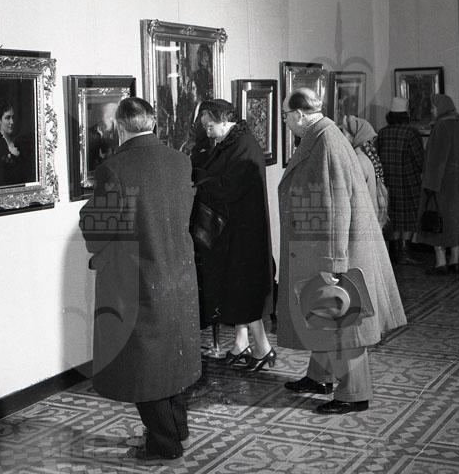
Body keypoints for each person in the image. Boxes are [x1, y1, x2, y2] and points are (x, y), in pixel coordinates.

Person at [78, 97, 200, 461]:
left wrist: (87, 215)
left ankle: (164, 444)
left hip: (138, 280)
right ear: (152, 123)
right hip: (177, 274)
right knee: (172, 359)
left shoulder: (113, 169)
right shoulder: (180, 161)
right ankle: (178, 432)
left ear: (120, 127)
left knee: (144, 366)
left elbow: (99, 232)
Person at [278, 88, 406, 414]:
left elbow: (337, 206)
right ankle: (319, 376)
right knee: (324, 317)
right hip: (323, 245)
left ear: (300, 115)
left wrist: (335, 260)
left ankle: (354, 394)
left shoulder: (327, 143)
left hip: (336, 251)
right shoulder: (323, 137)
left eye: (285, 115)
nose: (285, 121)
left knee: (345, 326)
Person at [193, 99, 275, 371]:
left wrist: (200, 178)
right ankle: (242, 343)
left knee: (244, 289)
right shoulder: (232, 143)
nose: (207, 131)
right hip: (236, 227)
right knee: (238, 288)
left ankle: (262, 348)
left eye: (210, 125)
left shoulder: (243, 145)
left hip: (245, 230)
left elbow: (229, 186)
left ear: (224, 120)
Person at [417, 94, 459, 275]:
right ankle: (455, 262)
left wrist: (429, 186)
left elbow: (435, 161)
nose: (432, 110)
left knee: (438, 224)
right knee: (456, 225)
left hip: (442, 187)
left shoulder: (440, 127)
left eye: (434, 106)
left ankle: (441, 263)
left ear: (441, 108)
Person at [376, 97, 425, 265]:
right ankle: (404, 252)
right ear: (406, 115)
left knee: (393, 218)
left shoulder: (382, 133)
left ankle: (396, 253)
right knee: (409, 218)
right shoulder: (411, 133)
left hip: (387, 182)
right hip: (408, 181)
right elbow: (420, 160)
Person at [341, 115, 389, 229]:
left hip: (363, 225)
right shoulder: (364, 158)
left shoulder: (358, 161)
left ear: (354, 137)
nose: (341, 138)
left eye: (344, 133)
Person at [87, 100, 119, 171]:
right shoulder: (90, 136)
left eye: (115, 117)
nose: (113, 120)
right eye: (109, 116)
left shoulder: (120, 135)